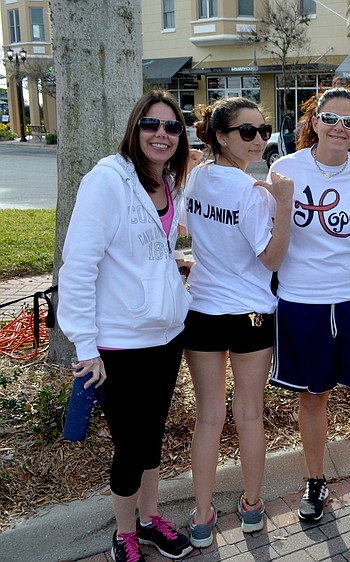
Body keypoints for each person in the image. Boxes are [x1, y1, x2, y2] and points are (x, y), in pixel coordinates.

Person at [57, 90, 194, 562]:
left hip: (166, 336)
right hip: (117, 342)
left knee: (152, 434)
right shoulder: (107, 180)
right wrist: (85, 344)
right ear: (134, 129)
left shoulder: (166, 183)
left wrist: (172, 271)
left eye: (172, 127)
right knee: (132, 444)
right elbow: (78, 266)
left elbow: (141, 251)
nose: (162, 134)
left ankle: (149, 518)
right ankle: (124, 533)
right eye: (151, 125)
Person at [267, 87, 350, 523]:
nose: (341, 127)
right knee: (313, 396)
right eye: (331, 118)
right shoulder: (285, 169)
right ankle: (315, 481)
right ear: (313, 122)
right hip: (303, 301)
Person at [181, 97, 294, 547]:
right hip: (249, 313)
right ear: (221, 136)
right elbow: (271, 259)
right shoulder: (250, 193)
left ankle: (204, 516)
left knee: (208, 418)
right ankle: (250, 507)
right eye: (247, 131)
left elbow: (190, 229)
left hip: (203, 310)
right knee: (248, 413)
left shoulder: (194, 177)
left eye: (263, 130)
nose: (259, 139)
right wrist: (282, 204)